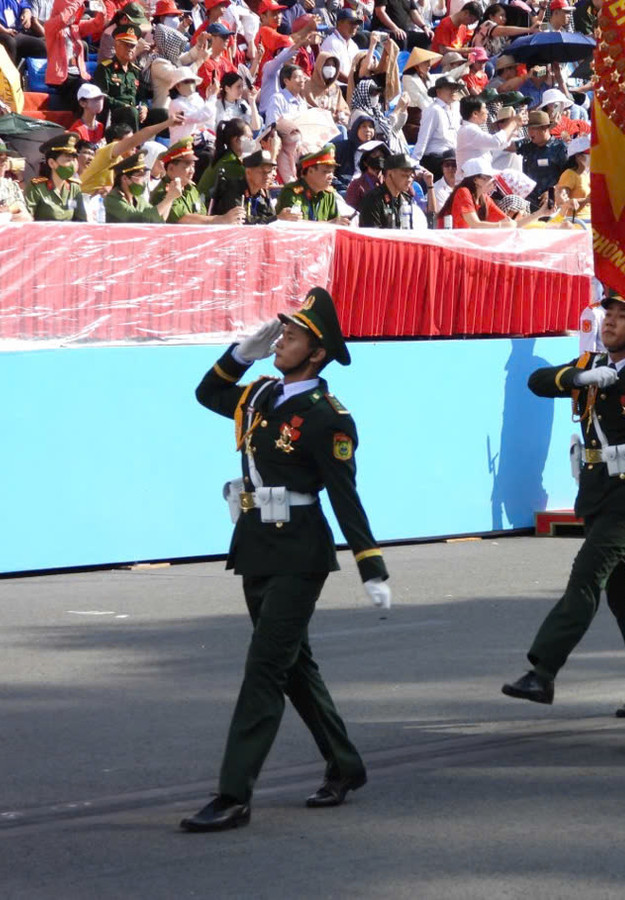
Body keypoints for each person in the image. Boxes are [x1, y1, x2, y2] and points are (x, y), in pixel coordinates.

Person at [182, 287, 391, 832]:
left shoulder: (328, 418)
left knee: (264, 668)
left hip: (301, 552)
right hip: (254, 544)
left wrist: (371, 564)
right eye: (282, 332)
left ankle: (233, 795)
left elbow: (346, 496)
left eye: (292, 336)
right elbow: (206, 393)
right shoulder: (259, 395)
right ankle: (345, 764)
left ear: (317, 353)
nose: (282, 340)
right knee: (294, 666)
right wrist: (238, 355)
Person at [501, 294, 625, 715]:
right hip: (593, 491)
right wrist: (578, 379)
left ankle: (543, 671)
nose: (610, 323)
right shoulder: (588, 365)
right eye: (609, 315)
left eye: (624, 317)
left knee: (585, 578)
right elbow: (536, 382)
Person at [150, 138, 246, 224]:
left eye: (193, 166)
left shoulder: (191, 189)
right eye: (186, 166)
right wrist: (221, 219)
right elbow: (184, 219)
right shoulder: (163, 192)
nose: (192, 171)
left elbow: (202, 214)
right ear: (171, 168)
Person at [213, 149, 299, 224]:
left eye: (269, 172)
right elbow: (241, 220)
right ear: (248, 172)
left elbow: (269, 216)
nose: (267, 176)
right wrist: (277, 218)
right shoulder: (233, 188)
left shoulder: (263, 192)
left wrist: (284, 217)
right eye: (263, 172)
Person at [276, 143, 354, 223]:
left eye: (332, 172)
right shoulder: (292, 192)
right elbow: (294, 226)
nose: (331, 176)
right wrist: (328, 224)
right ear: (310, 171)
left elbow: (335, 222)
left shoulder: (328, 195)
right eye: (325, 172)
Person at [25, 132, 87, 221]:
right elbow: (28, 219)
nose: (72, 164)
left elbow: (81, 220)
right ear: (52, 163)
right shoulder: (37, 187)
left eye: (74, 160)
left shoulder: (74, 188)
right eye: (68, 160)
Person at [436, 157, 509, 227]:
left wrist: (516, 221)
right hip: (452, 238)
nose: (493, 182)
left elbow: (506, 220)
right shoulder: (463, 192)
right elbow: (475, 224)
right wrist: (501, 225)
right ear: (476, 180)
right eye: (489, 178)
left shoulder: (484, 197)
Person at [515, 109, 566, 205]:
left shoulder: (559, 148)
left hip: (550, 201)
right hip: (529, 201)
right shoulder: (528, 146)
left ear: (545, 128)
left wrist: (553, 191)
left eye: (533, 129)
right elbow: (504, 145)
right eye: (529, 129)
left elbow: (567, 176)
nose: (530, 132)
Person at [357, 152, 421, 228]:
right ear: (390, 173)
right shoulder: (373, 199)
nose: (409, 180)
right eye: (404, 175)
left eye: (411, 176)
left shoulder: (406, 199)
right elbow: (371, 234)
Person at [96, 29, 144, 130]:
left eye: (133, 46)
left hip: (134, 111)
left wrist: (144, 108)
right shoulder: (105, 68)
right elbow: (102, 96)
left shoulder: (135, 71)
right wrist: (124, 106)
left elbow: (141, 96)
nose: (130, 49)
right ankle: (135, 145)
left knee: (161, 114)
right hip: (115, 112)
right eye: (127, 45)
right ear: (117, 46)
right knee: (132, 112)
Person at [103, 152, 167, 222]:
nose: (143, 180)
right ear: (125, 179)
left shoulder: (138, 199)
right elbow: (139, 219)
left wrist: (170, 198)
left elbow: (158, 219)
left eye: (144, 175)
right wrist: (169, 199)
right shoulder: (113, 199)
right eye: (140, 175)